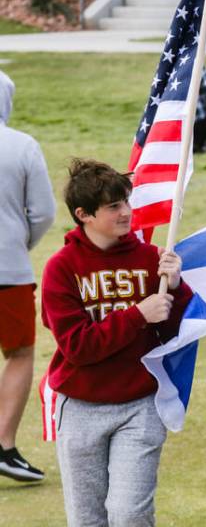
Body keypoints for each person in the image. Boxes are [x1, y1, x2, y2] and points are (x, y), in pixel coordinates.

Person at [41, 159, 193, 525]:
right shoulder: (60, 268)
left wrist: (175, 289)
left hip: (140, 404)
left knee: (130, 514)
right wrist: (137, 314)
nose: (127, 212)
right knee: (87, 518)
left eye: (126, 202)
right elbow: (77, 347)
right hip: (79, 407)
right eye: (114, 206)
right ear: (84, 214)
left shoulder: (149, 259)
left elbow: (175, 335)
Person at [0, 71, 55, 483]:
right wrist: (20, 243)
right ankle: (4, 445)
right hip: (9, 268)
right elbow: (43, 213)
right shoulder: (22, 146)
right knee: (18, 353)